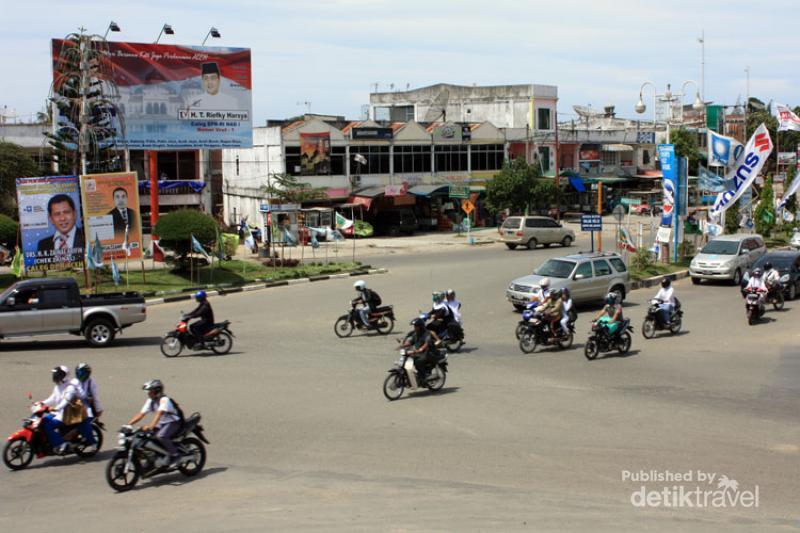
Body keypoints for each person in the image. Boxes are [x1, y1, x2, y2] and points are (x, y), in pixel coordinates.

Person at [40, 366, 95, 453]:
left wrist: (55, 409)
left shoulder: (70, 388)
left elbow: (65, 401)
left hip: (66, 415)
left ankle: (61, 443)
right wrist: (41, 403)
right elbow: (52, 399)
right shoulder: (58, 386)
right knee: (42, 421)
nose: (55, 377)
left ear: (64, 376)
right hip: (58, 414)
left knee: (47, 425)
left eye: (57, 375)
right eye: (55, 375)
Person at [127, 380, 182, 468]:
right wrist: (128, 424)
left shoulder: (164, 400)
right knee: (146, 438)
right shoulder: (151, 400)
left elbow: (159, 414)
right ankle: (154, 457)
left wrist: (151, 426)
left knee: (161, 436)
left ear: (157, 391)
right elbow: (141, 414)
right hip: (162, 423)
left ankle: (175, 455)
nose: (149, 394)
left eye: (150, 392)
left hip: (173, 422)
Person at [36, 194, 85, 262]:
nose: (62, 218)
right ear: (51, 219)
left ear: (75, 214)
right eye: (57, 214)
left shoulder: (86, 238)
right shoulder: (43, 244)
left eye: (66, 212)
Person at [402, 318, 436, 385]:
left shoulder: (427, 333)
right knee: (408, 360)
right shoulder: (416, 334)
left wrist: (421, 349)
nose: (415, 328)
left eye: (416, 326)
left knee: (418, 362)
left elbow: (427, 343)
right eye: (414, 326)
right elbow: (411, 342)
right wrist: (403, 345)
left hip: (428, 353)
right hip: (419, 352)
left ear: (420, 326)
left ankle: (423, 378)